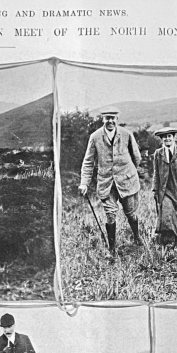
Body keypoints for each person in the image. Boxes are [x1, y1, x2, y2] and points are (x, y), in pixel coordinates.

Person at [79, 107, 142, 254]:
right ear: (103, 119)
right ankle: (112, 248)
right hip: (106, 183)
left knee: (130, 213)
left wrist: (130, 172)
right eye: (107, 118)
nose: (110, 121)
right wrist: (84, 182)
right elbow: (88, 162)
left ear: (117, 120)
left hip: (127, 181)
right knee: (110, 215)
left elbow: (137, 157)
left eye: (113, 118)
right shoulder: (95, 137)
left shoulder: (126, 135)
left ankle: (137, 237)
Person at [152, 127, 177, 244]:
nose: (167, 139)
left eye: (169, 136)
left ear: (173, 137)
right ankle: (169, 239)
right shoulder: (158, 154)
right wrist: (155, 189)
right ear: (161, 139)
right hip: (164, 190)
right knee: (166, 211)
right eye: (164, 137)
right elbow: (156, 173)